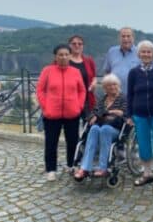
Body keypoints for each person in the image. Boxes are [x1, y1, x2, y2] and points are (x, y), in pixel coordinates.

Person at [37, 44, 86, 181]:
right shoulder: (48, 71)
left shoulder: (75, 72)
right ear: (55, 56)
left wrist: (79, 106)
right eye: (61, 54)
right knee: (51, 143)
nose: (64, 57)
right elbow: (40, 90)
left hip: (72, 113)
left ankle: (72, 165)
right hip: (52, 114)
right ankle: (51, 169)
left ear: (70, 56)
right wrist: (45, 107)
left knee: (73, 141)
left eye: (66, 54)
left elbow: (82, 90)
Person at [127, 40, 153, 189]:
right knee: (143, 144)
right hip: (139, 114)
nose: (146, 54)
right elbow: (130, 95)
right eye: (143, 51)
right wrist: (129, 115)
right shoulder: (133, 73)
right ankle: (147, 173)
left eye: (149, 52)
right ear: (138, 54)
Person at [74, 74, 127, 180]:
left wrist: (105, 113)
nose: (112, 87)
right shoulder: (103, 99)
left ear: (118, 85)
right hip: (101, 127)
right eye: (108, 85)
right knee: (94, 128)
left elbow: (122, 113)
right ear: (104, 88)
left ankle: (103, 167)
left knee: (105, 129)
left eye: (114, 84)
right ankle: (85, 168)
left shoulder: (123, 98)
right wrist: (93, 116)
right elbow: (94, 112)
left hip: (116, 129)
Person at [103, 26, 140, 96]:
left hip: (133, 96)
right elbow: (107, 72)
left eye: (128, 36)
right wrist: (106, 90)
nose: (126, 39)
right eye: (123, 36)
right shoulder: (112, 51)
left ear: (133, 38)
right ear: (119, 38)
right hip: (114, 96)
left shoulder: (140, 52)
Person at [68, 35, 97, 116]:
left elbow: (94, 76)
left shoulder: (89, 61)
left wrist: (94, 83)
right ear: (69, 45)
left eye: (80, 44)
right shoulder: (64, 61)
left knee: (88, 125)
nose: (77, 45)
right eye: (74, 44)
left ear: (83, 46)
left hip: (87, 99)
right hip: (70, 100)